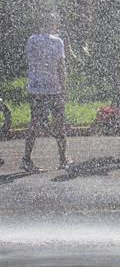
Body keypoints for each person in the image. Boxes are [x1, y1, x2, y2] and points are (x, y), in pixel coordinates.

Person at [21, 22, 70, 172]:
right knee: (60, 124)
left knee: (34, 124)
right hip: (54, 89)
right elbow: (61, 67)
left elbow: (28, 62)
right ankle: (63, 159)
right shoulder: (57, 42)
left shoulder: (32, 40)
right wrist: (64, 88)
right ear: (53, 25)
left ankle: (26, 159)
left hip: (36, 89)